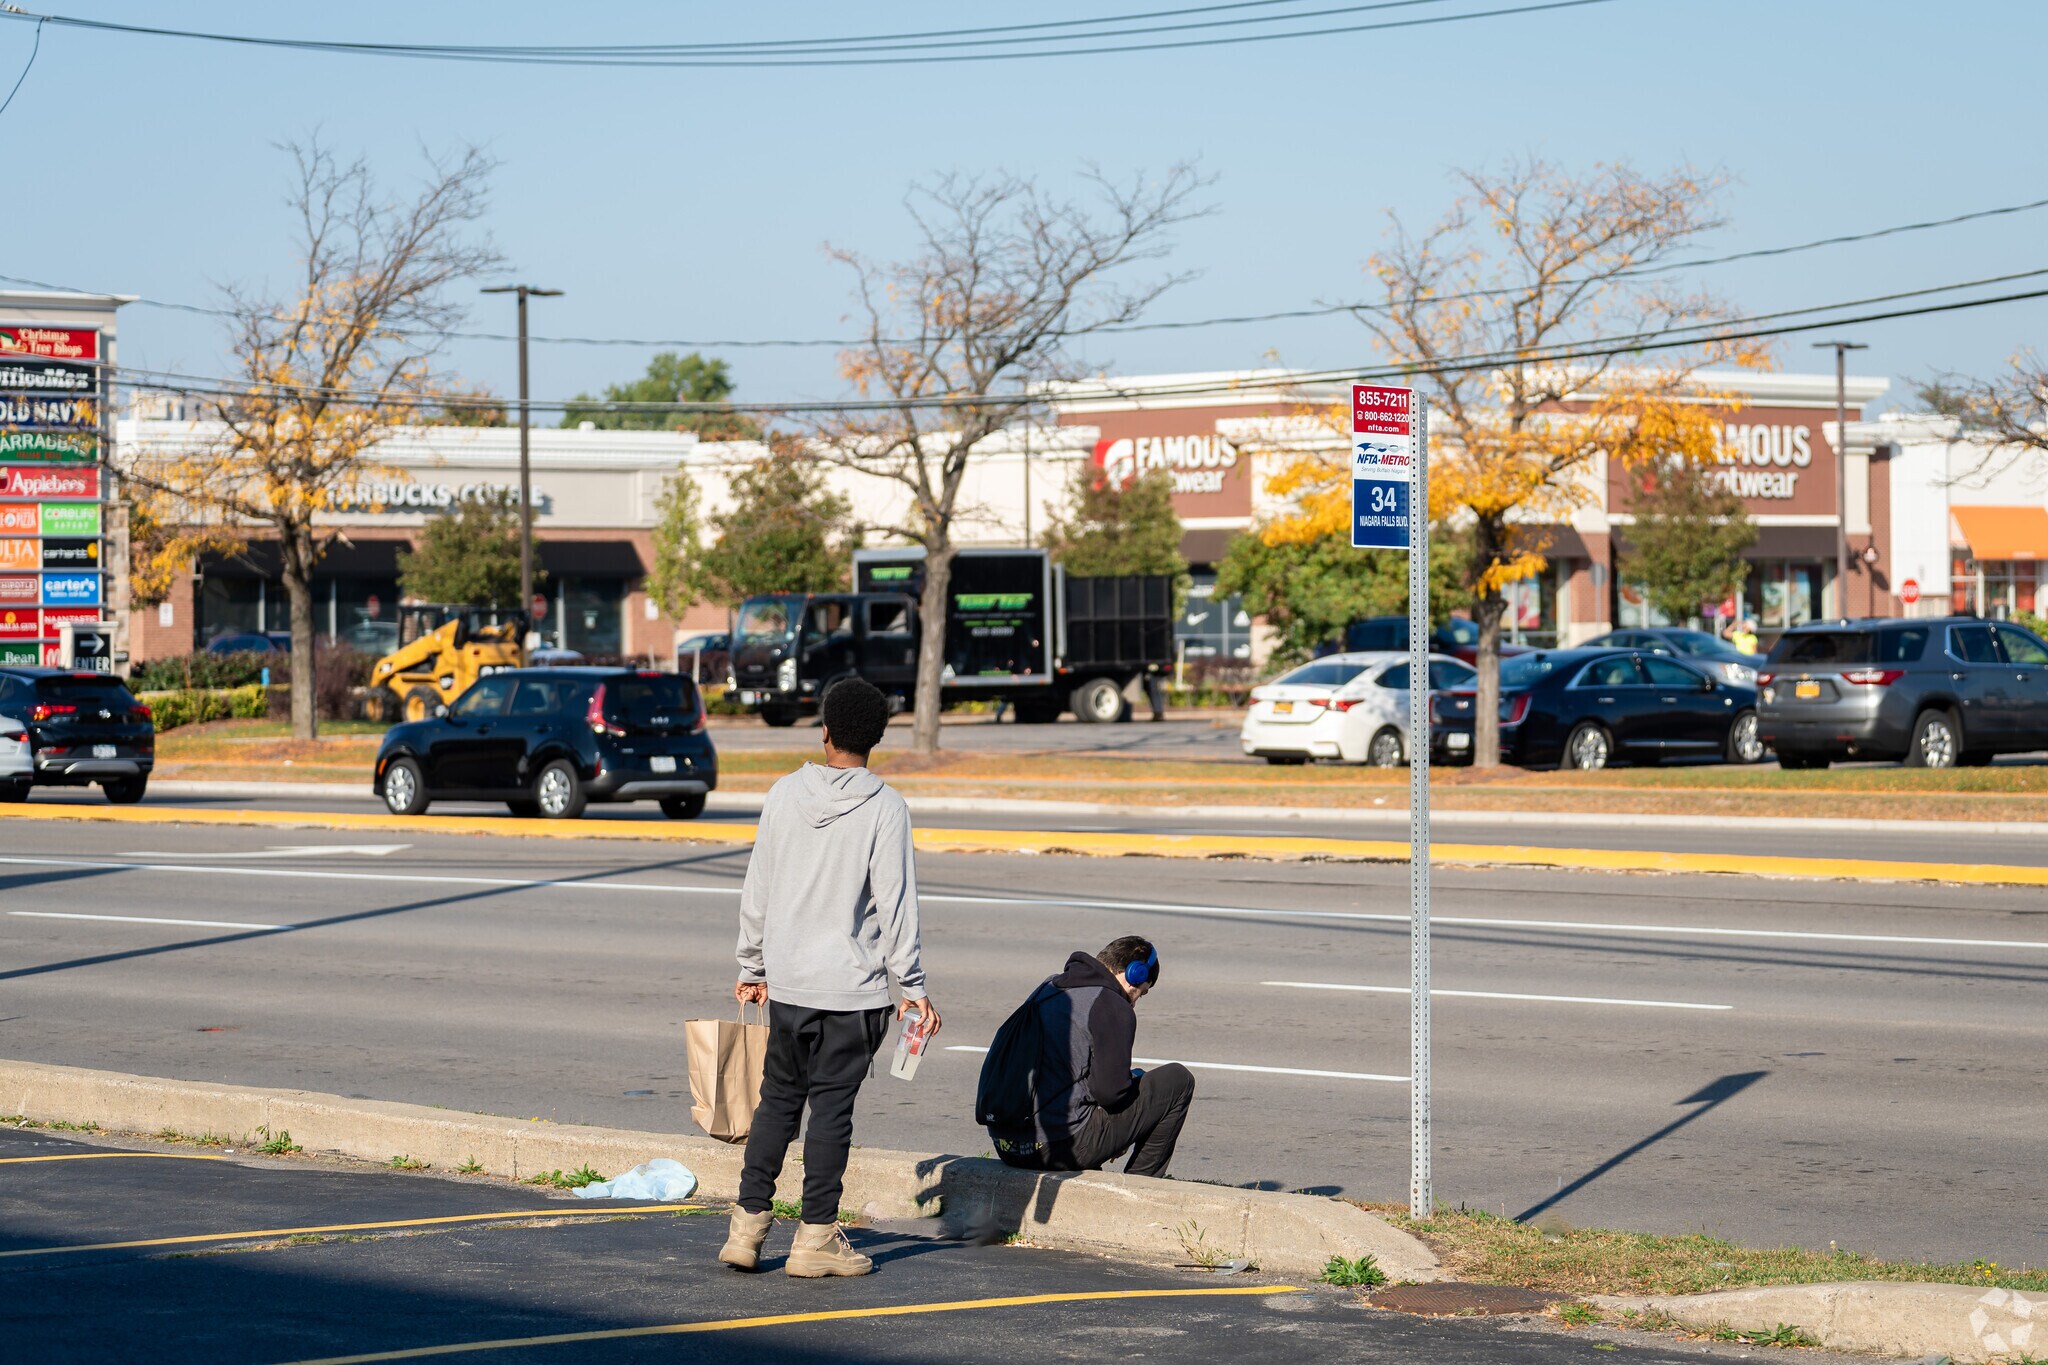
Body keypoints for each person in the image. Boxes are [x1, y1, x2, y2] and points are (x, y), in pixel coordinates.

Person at [719, 677, 939, 1278]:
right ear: (878, 738)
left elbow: (757, 887)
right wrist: (912, 989)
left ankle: (746, 1227)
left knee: (777, 1105)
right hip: (851, 991)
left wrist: (752, 964)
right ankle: (814, 1238)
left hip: (788, 987)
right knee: (831, 1113)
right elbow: (896, 907)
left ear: (825, 730)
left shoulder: (783, 794)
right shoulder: (885, 806)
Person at [977, 936, 1194, 1180]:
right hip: (1057, 1147)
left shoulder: (1048, 988)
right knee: (1177, 1080)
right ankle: (1141, 1185)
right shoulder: (1111, 1004)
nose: (1135, 1003)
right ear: (1135, 973)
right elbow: (1111, 1093)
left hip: (1008, 1146)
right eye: (1141, 993)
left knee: (1127, 1084)